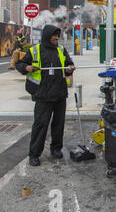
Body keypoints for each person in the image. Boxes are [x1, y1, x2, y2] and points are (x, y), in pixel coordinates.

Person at [16, 25, 76, 167]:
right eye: (54, 36)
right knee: (40, 125)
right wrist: (27, 68)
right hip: (43, 95)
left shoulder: (61, 50)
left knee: (58, 124)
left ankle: (56, 149)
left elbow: (69, 65)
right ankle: (34, 154)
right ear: (47, 36)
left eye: (57, 36)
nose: (56, 38)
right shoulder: (35, 50)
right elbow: (20, 64)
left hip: (60, 94)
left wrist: (69, 68)